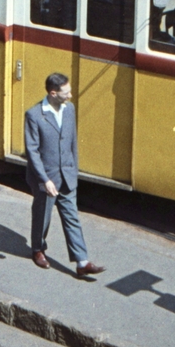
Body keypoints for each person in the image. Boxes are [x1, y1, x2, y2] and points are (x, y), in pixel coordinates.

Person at [24, 73, 104, 279]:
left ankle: (82, 262)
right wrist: (44, 180)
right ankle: (38, 249)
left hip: (67, 175)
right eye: (66, 93)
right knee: (43, 217)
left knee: (72, 217)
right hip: (47, 178)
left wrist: (73, 171)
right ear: (53, 93)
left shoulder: (70, 109)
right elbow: (32, 151)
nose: (70, 96)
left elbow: (72, 143)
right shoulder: (34, 115)